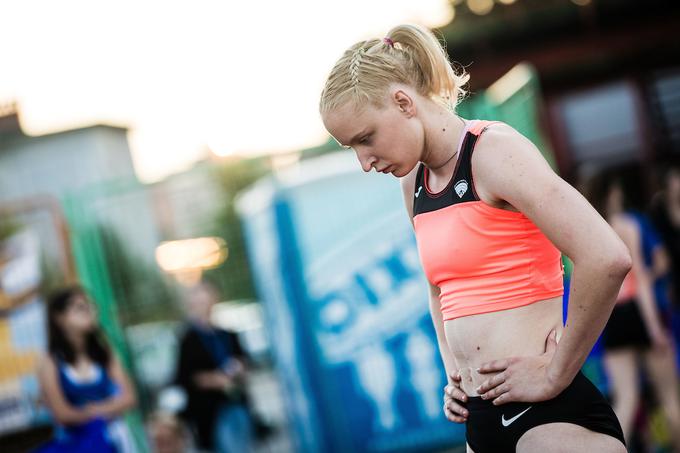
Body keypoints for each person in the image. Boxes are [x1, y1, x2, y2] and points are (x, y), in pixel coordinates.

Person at [319, 24, 630, 452]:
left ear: (404, 102)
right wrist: (455, 372)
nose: (364, 162)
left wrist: (556, 371)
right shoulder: (414, 185)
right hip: (481, 422)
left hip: (546, 416)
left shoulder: (494, 151)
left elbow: (606, 256)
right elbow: (439, 290)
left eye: (365, 139)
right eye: (350, 148)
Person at [588, 170, 680, 450]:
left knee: (625, 398)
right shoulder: (627, 226)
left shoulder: (591, 231)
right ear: (612, 194)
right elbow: (640, 279)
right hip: (638, 314)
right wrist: (654, 328)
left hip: (612, 316)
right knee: (669, 395)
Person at [35, 285, 138, 453]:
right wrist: (108, 408)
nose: (89, 311)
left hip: (113, 440)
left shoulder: (104, 352)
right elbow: (62, 414)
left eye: (90, 306)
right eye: (79, 307)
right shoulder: (49, 361)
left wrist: (91, 410)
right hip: (75, 444)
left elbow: (129, 398)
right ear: (59, 318)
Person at [175, 281, 254, 453]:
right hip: (210, 411)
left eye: (207, 299)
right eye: (199, 301)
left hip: (236, 402)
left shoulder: (227, 334)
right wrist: (214, 380)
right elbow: (184, 376)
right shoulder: (188, 339)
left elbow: (246, 362)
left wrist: (239, 368)